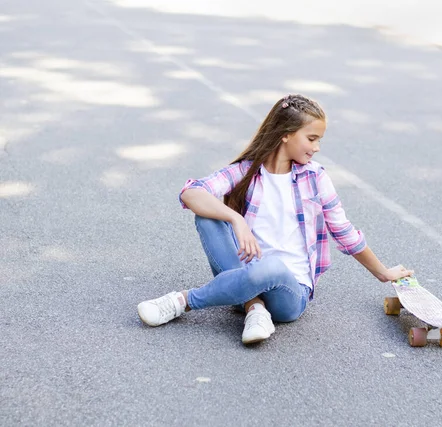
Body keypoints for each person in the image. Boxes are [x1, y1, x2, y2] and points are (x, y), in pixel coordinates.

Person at [137, 94, 413, 344]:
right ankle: (254, 308)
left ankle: (182, 301)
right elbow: (191, 193)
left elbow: (344, 232)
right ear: (286, 135)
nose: (317, 148)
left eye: (319, 140)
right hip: (249, 268)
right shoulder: (246, 172)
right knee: (208, 218)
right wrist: (236, 219)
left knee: (270, 268)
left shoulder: (315, 177)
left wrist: (383, 272)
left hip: (289, 293)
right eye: (312, 138)